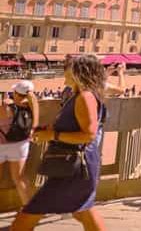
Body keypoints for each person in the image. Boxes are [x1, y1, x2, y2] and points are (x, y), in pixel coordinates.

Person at [13, 55, 107, 230]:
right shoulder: (79, 95)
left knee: (28, 214)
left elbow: (89, 135)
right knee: (83, 211)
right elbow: (75, 126)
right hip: (77, 166)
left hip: (75, 167)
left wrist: (52, 135)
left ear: (79, 72)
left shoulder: (84, 97)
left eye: (68, 68)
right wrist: (47, 129)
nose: (64, 71)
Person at [0, 80, 39, 205]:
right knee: (20, 178)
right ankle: (30, 210)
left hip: (1, 144)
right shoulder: (31, 105)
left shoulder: (6, 107)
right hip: (20, 144)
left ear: (16, 93)